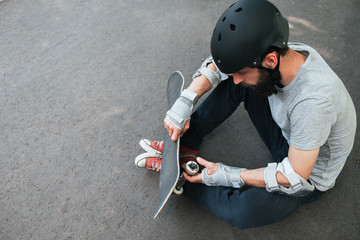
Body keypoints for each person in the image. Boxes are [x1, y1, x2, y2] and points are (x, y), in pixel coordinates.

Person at [135, 0, 356, 229]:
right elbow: (224, 67)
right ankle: (185, 145)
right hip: (293, 133)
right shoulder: (281, 54)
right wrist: (187, 99)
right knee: (243, 81)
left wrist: (226, 175)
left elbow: (295, 175)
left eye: (241, 72)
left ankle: (186, 178)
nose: (236, 78)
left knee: (243, 212)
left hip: (306, 173)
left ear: (270, 60)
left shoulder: (314, 101)